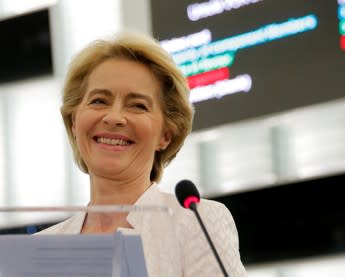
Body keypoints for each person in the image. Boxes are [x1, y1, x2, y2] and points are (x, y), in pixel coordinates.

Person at [37, 30, 247, 276]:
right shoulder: (39, 249)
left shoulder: (196, 224)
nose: (114, 117)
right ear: (75, 121)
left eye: (138, 105)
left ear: (165, 134)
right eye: (98, 101)